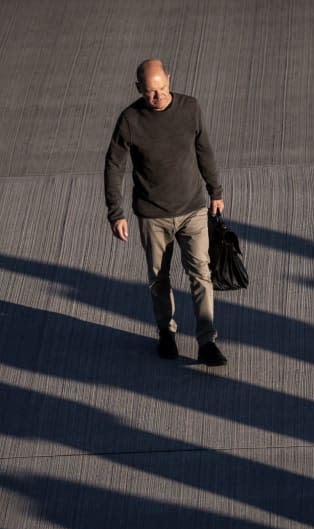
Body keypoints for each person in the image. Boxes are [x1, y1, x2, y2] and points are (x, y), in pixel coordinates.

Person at [104, 59, 227, 366]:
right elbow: (114, 165)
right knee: (158, 278)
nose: (157, 97)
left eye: (161, 89)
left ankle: (207, 342)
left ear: (169, 80)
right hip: (152, 215)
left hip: (192, 210)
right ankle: (166, 333)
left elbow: (204, 150)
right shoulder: (130, 120)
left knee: (201, 274)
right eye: (149, 93)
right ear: (138, 89)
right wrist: (115, 212)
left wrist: (216, 191)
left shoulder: (190, 108)